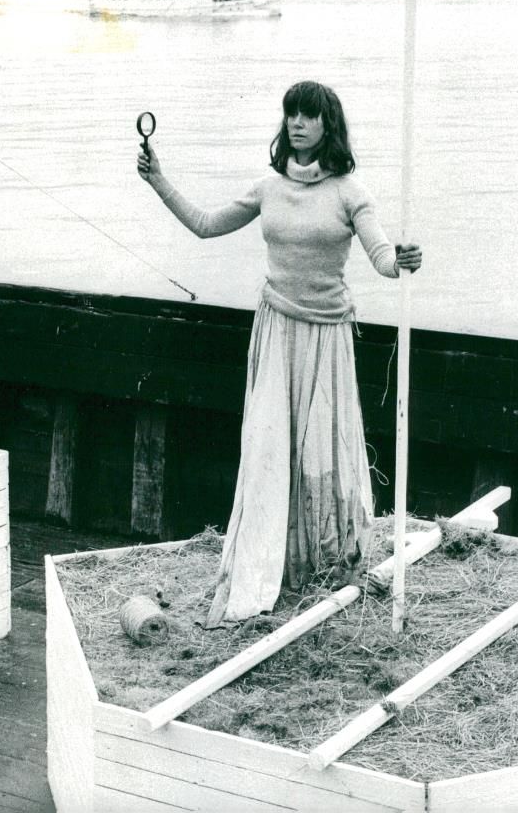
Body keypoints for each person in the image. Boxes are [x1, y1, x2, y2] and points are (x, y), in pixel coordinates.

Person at [137, 80, 422, 627]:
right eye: (291, 114)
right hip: (275, 332)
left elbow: (384, 258)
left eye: (309, 116)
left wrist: (405, 260)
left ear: (327, 126)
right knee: (269, 448)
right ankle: (271, 564)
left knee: (321, 450)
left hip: (327, 339)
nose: (297, 123)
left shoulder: (349, 192)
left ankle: (323, 561)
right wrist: (159, 180)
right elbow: (203, 225)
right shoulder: (268, 189)